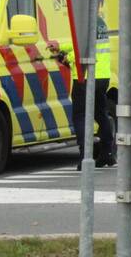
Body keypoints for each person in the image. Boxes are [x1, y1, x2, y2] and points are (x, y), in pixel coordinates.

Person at [48, 34, 115, 168]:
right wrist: (60, 46)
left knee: (80, 116)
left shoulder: (87, 20)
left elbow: (83, 50)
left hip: (85, 77)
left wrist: (68, 58)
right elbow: (79, 43)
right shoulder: (99, 23)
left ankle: (85, 157)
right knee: (100, 114)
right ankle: (107, 154)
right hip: (102, 76)